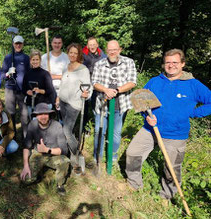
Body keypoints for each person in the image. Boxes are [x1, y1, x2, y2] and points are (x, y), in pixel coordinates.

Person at [125, 49, 211, 200]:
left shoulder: (193, 85)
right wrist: (147, 116)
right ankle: (134, 185)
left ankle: (167, 196)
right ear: (164, 64)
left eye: (175, 62)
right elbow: (142, 101)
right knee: (133, 153)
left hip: (175, 134)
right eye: (168, 62)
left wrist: (192, 113)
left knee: (171, 168)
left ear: (182, 64)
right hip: (150, 129)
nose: (171, 65)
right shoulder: (154, 81)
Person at [92, 40, 137, 162]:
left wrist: (116, 90)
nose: (112, 52)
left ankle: (113, 158)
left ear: (119, 50)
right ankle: (97, 157)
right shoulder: (99, 64)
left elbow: (132, 82)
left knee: (116, 134)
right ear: (106, 51)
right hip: (102, 105)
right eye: (110, 50)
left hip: (121, 105)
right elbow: (94, 83)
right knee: (98, 131)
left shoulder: (128, 62)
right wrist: (106, 90)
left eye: (115, 50)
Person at [20, 103, 70, 195]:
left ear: (49, 114)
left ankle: (60, 184)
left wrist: (47, 150)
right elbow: (26, 146)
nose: (43, 117)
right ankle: (37, 174)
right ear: (36, 116)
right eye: (40, 114)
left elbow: (64, 150)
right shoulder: (32, 125)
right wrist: (26, 165)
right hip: (38, 154)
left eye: (45, 114)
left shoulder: (57, 126)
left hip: (53, 155)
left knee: (65, 161)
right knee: (26, 179)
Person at [56, 43, 93, 155]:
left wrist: (87, 94)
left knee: (67, 130)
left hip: (74, 104)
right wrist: (58, 98)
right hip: (63, 102)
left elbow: (88, 87)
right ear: (68, 53)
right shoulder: (65, 67)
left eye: (75, 53)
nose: (72, 55)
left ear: (79, 55)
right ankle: (66, 148)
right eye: (71, 52)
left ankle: (76, 152)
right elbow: (62, 83)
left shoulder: (83, 70)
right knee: (65, 127)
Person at [1, 35, 30, 139]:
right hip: (10, 89)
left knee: (25, 116)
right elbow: (1, 75)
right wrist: (8, 73)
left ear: (22, 44)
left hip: (23, 90)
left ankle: (26, 138)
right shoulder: (8, 57)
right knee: (10, 114)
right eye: (16, 43)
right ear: (13, 44)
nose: (18, 45)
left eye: (20, 43)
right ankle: (11, 138)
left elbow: (29, 74)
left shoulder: (26, 58)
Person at [82, 37, 107, 132]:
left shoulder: (102, 56)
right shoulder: (83, 54)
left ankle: (98, 128)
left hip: (97, 84)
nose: (92, 46)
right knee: (84, 107)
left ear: (97, 45)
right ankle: (83, 127)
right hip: (85, 83)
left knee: (95, 106)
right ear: (87, 46)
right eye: (90, 45)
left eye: (94, 44)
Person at [23, 49, 56, 117]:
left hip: (43, 104)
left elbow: (50, 90)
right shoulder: (27, 74)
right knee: (33, 124)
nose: (35, 62)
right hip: (31, 103)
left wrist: (40, 91)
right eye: (33, 59)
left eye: (37, 59)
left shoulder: (45, 74)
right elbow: (23, 88)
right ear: (30, 61)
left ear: (40, 60)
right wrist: (27, 91)